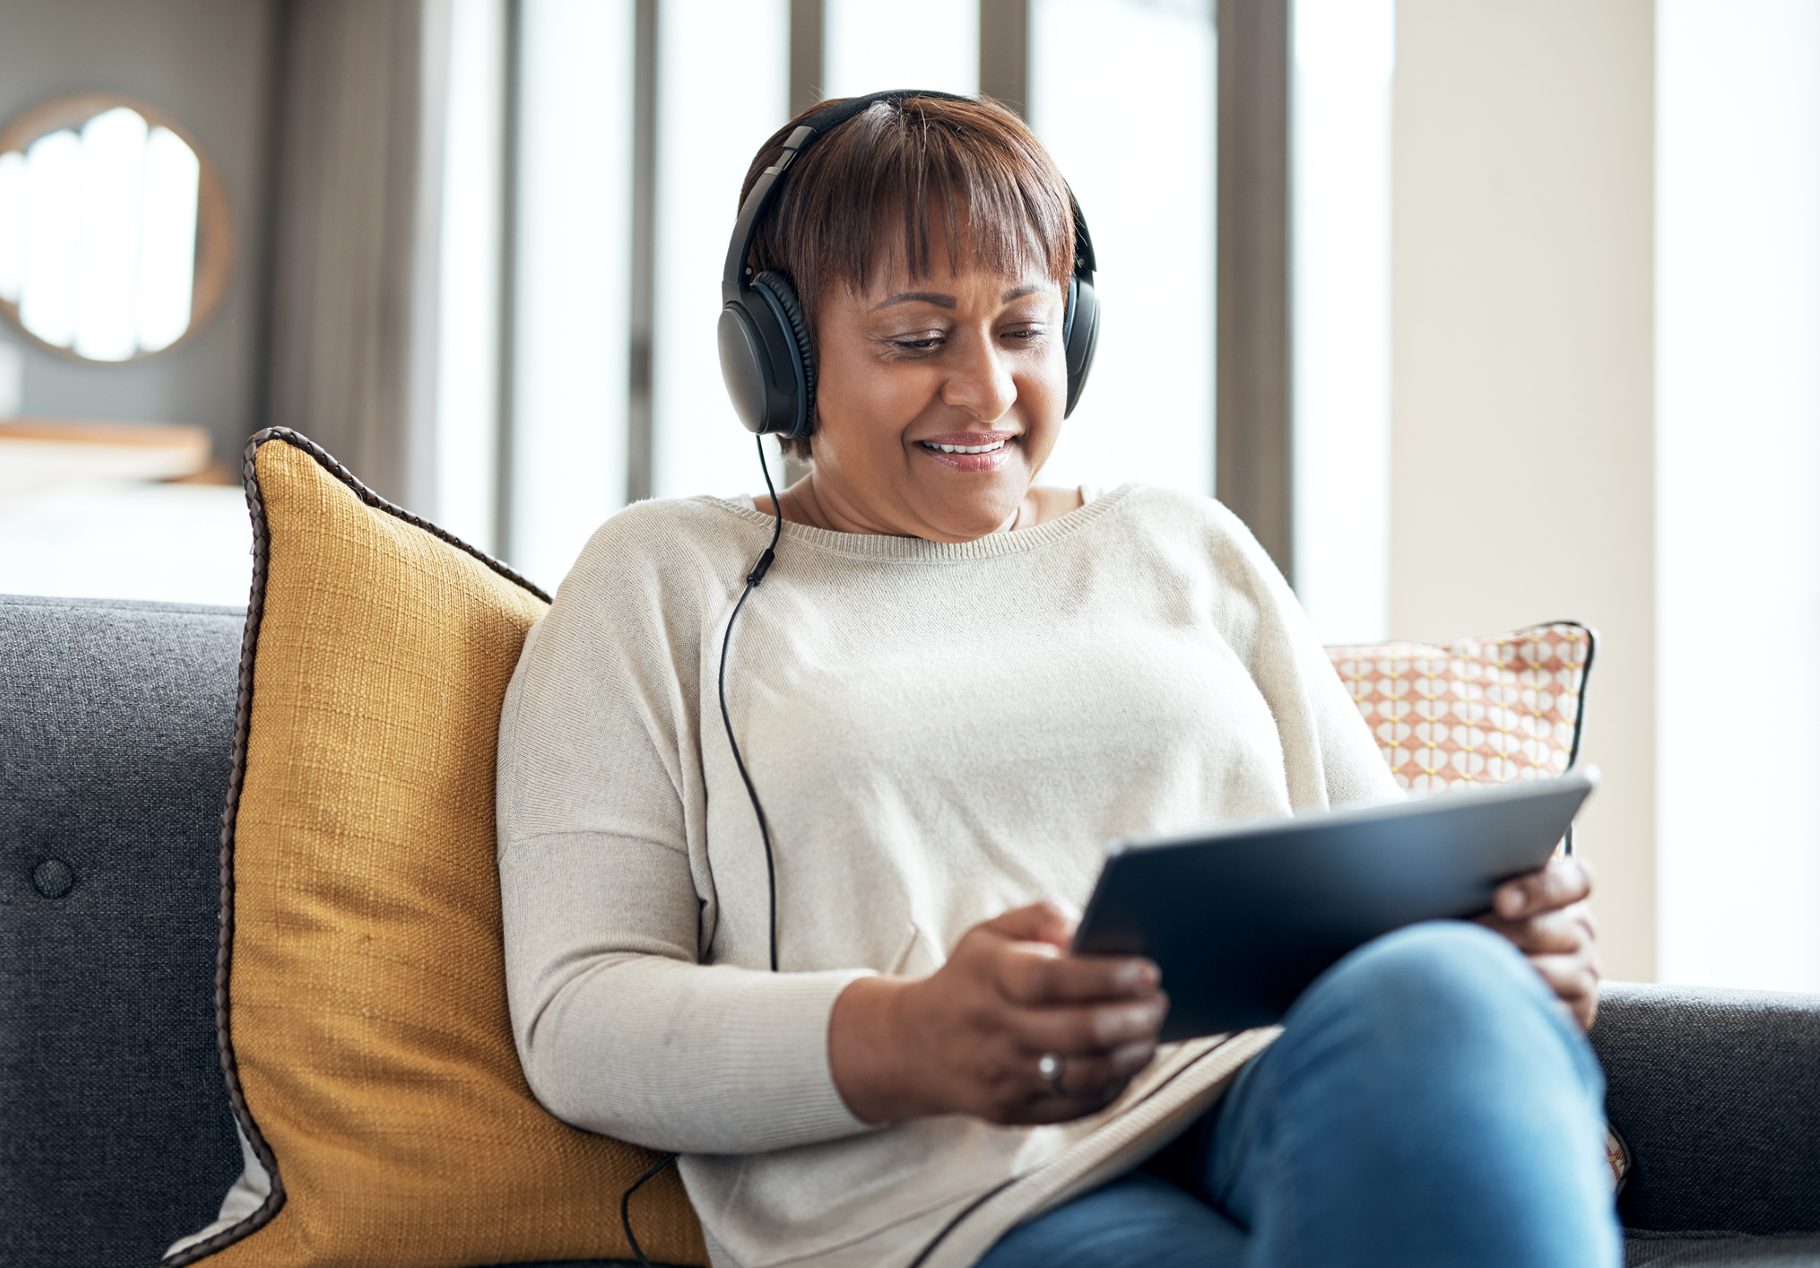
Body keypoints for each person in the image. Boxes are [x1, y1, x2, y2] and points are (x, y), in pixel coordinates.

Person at [495, 90, 1618, 1268]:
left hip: (1280, 1084)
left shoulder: (1184, 543)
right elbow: (578, 1015)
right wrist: (906, 1034)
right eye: (917, 339)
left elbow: (1391, 882)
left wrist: (1507, 945)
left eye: (1022, 330)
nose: (985, 392)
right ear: (775, 360)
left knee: (1439, 994)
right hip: (960, 1195)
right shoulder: (663, 581)